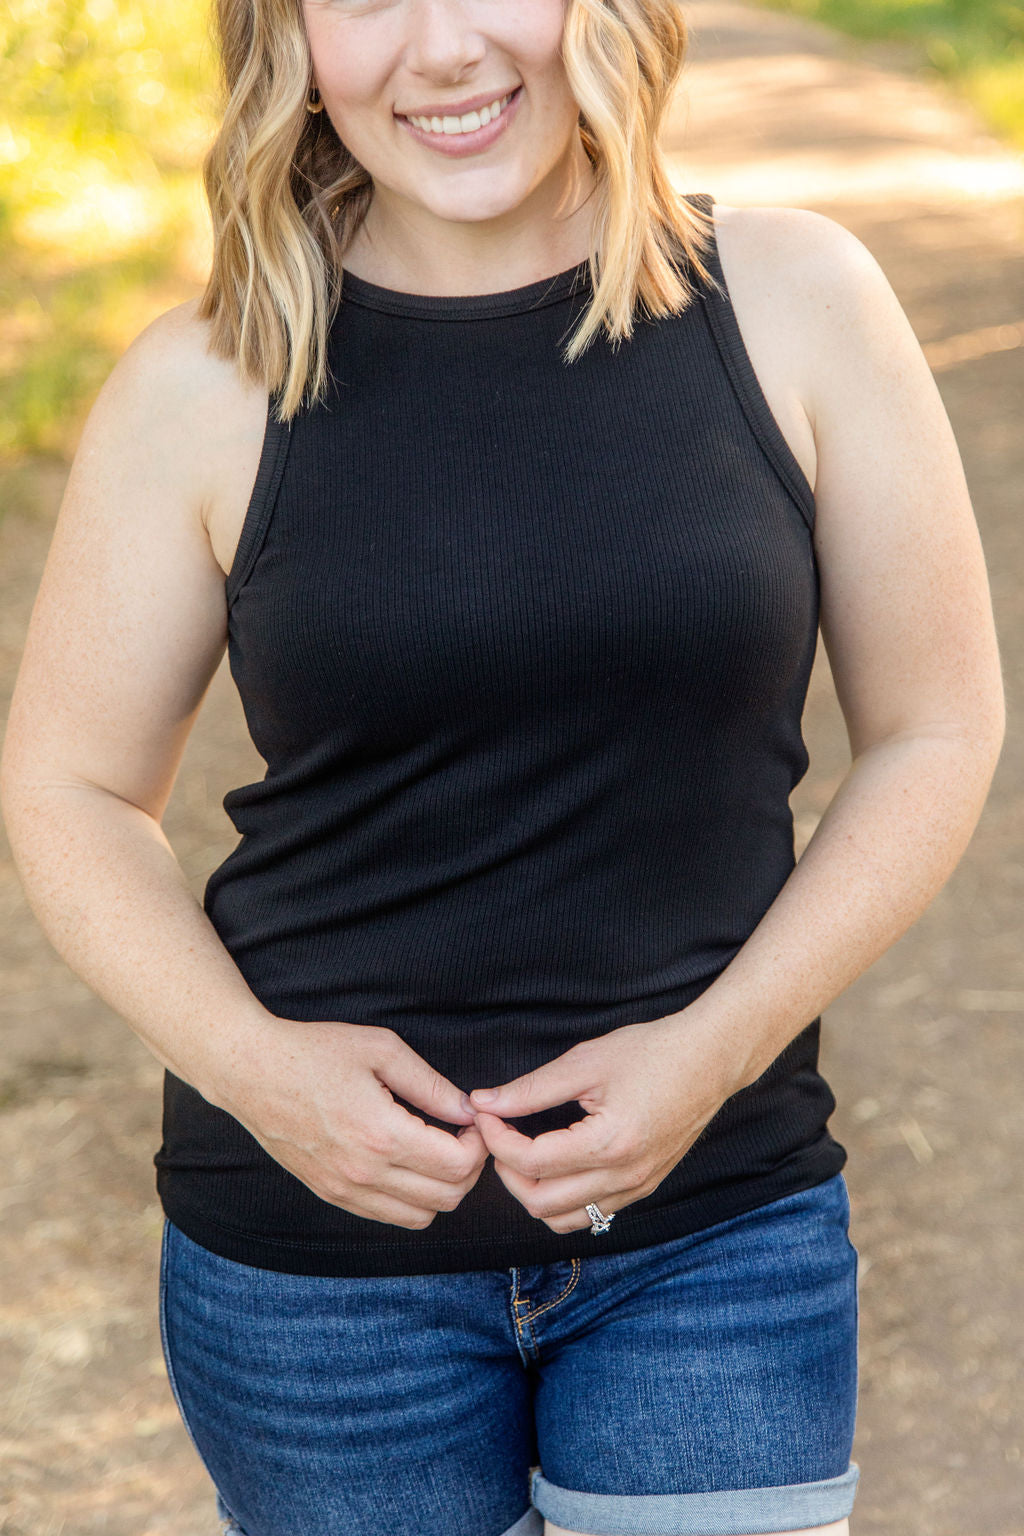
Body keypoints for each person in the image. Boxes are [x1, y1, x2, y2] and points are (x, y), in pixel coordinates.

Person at [0, 1, 1005, 1533]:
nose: (446, 49)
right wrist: (260, 1073)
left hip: (717, 1225)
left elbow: (936, 729)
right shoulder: (204, 380)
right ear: (288, 41)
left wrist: (718, 1047)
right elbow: (70, 791)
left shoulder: (798, 304)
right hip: (312, 1280)